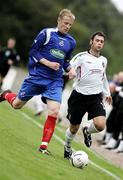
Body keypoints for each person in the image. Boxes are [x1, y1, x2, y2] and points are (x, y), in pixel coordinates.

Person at [0, 9, 76, 155]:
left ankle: (43, 146)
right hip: (37, 76)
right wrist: (48, 63)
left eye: (70, 25)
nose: (67, 26)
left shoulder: (71, 42)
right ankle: (6, 95)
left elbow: (65, 60)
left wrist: (70, 69)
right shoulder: (46, 34)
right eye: (65, 23)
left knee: (54, 111)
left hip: (55, 80)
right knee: (17, 105)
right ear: (58, 20)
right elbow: (33, 52)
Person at [64, 31, 112, 159]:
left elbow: (103, 77)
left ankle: (87, 131)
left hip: (95, 97)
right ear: (91, 41)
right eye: (97, 40)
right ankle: (67, 147)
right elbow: (68, 66)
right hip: (79, 96)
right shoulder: (81, 57)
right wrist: (69, 73)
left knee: (101, 125)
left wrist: (107, 92)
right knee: (74, 128)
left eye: (101, 41)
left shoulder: (103, 60)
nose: (99, 43)